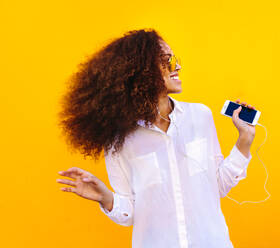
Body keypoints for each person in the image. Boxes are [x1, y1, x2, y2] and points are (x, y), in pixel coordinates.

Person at [56, 28, 257, 248]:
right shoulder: (119, 142)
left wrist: (244, 141)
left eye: (175, 59)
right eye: (166, 61)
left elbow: (216, 186)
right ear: (140, 71)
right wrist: (106, 198)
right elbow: (130, 213)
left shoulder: (200, 116)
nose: (177, 66)